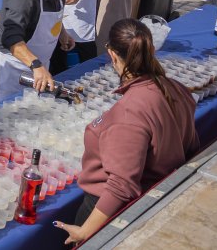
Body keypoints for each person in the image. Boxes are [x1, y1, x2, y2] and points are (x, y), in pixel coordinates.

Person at [54, 19, 198, 245]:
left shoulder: (129, 114)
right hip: (153, 198)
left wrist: (84, 233)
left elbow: (121, 185)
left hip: (107, 213)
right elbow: (190, 144)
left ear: (111, 55)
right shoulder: (174, 88)